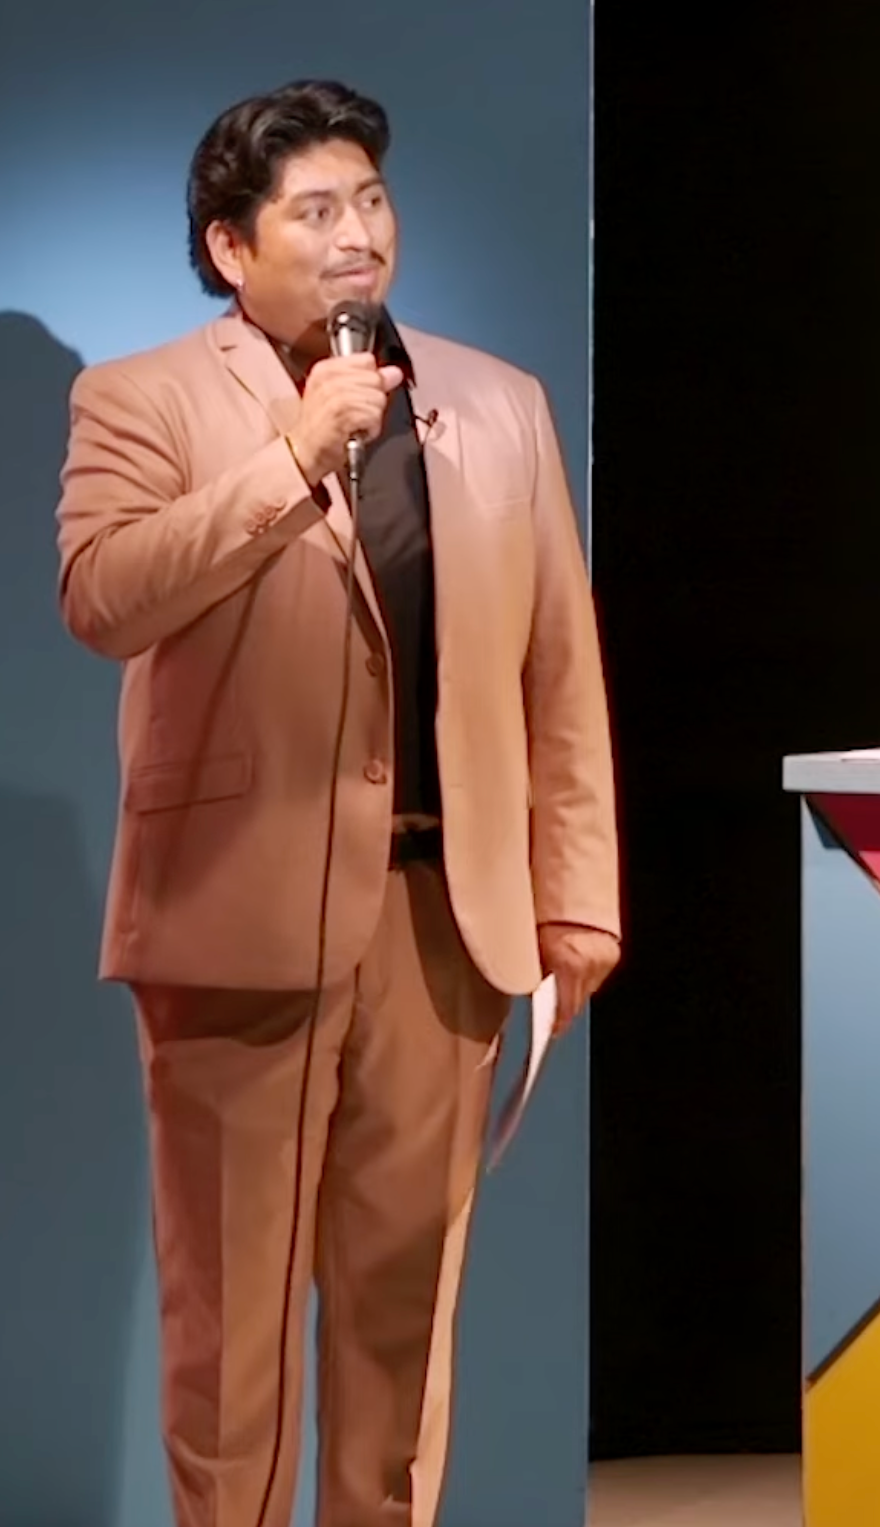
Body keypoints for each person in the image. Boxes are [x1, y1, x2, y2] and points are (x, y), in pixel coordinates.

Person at [55, 78, 621, 1527]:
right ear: (229, 246)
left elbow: (557, 663)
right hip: (236, 917)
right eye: (316, 210)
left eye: (370, 200)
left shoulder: (497, 404)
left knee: (401, 1316)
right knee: (232, 1337)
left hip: (445, 921)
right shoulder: (141, 398)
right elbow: (105, 600)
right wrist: (292, 453)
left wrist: (578, 887)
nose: (358, 234)